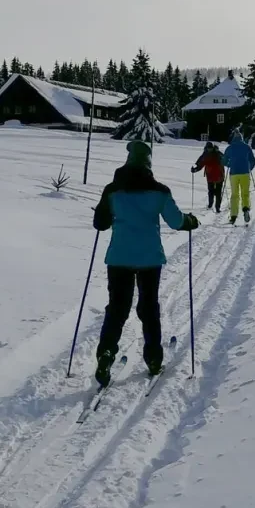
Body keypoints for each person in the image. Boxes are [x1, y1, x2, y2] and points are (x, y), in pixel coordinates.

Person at [92, 140, 200, 385]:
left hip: (119, 257)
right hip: (149, 258)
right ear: (148, 163)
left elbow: (100, 224)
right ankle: (153, 358)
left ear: (127, 161)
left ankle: (106, 353)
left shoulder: (112, 190)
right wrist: (190, 221)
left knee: (117, 308)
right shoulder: (159, 191)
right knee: (149, 307)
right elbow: (176, 221)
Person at [222, 129, 255, 225]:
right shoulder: (247, 147)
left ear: (234, 138)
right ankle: (246, 209)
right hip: (245, 173)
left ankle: (233, 216)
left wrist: (229, 164)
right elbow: (253, 161)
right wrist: (249, 168)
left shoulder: (230, 148)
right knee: (245, 193)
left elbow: (224, 161)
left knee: (234, 194)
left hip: (234, 174)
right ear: (241, 138)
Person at [190, 141, 226, 213]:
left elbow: (200, 164)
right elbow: (225, 160)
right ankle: (216, 207)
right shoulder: (217, 153)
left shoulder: (206, 154)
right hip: (218, 176)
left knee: (212, 191)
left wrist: (195, 169)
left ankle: (212, 205)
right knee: (217, 192)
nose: (209, 149)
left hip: (212, 176)